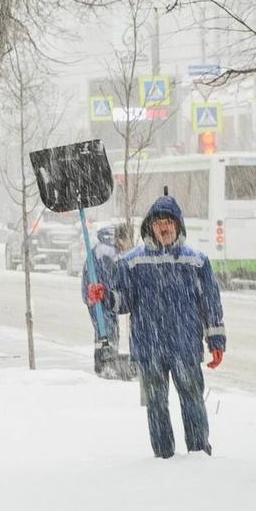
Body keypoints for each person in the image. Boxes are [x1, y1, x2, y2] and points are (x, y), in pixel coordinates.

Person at [87, 196, 225, 458]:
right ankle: (163, 456)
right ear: (150, 227)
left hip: (185, 346)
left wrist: (216, 341)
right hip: (149, 348)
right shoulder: (132, 263)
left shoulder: (196, 262)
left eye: (169, 222)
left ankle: (198, 452)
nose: (164, 227)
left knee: (192, 400)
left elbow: (211, 304)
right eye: (159, 222)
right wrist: (105, 295)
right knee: (156, 404)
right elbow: (123, 302)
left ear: (178, 226)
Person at [79, 222, 131, 378]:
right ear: (121, 238)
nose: (129, 244)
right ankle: (106, 365)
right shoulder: (108, 252)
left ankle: (103, 363)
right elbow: (110, 279)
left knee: (103, 332)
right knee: (107, 332)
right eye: (128, 239)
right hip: (101, 299)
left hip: (96, 298)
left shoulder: (103, 249)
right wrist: (113, 295)